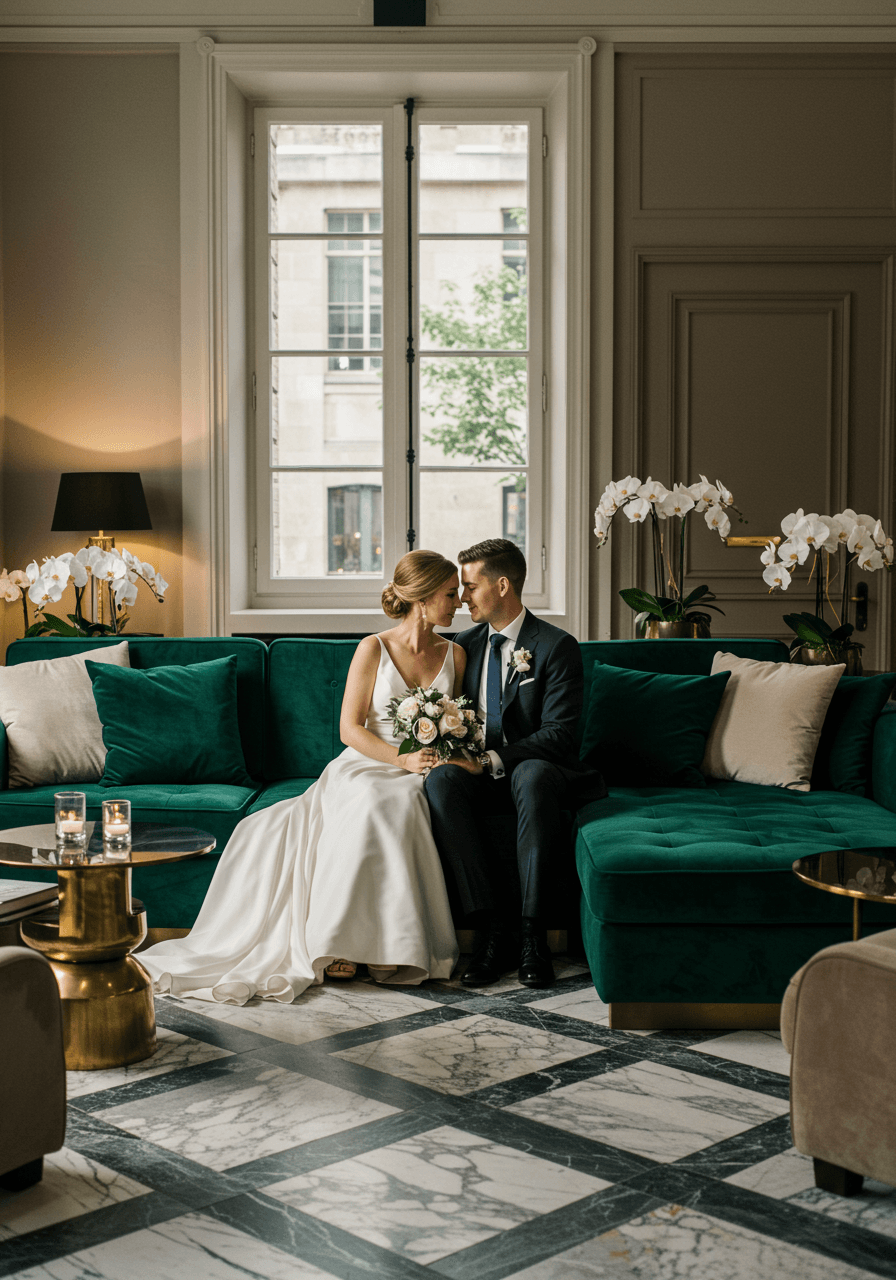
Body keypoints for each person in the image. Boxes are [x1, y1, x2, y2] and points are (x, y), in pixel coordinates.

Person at [140, 550, 463, 1004]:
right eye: (451, 595)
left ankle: (388, 944)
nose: (460, 603)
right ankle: (337, 944)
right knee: (373, 800)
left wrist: (437, 755)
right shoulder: (374, 647)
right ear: (424, 598)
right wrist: (401, 759)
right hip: (369, 761)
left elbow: (460, 723)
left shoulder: (457, 654)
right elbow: (349, 730)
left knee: (406, 801)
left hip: (421, 767)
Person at [424, 538, 605, 990]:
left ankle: (532, 936)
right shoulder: (462, 646)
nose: (462, 597)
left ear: (502, 585)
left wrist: (488, 761)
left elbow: (559, 734)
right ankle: (492, 931)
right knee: (443, 781)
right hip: (480, 772)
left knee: (532, 773)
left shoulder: (556, 645)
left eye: (470, 586)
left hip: (538, 771)